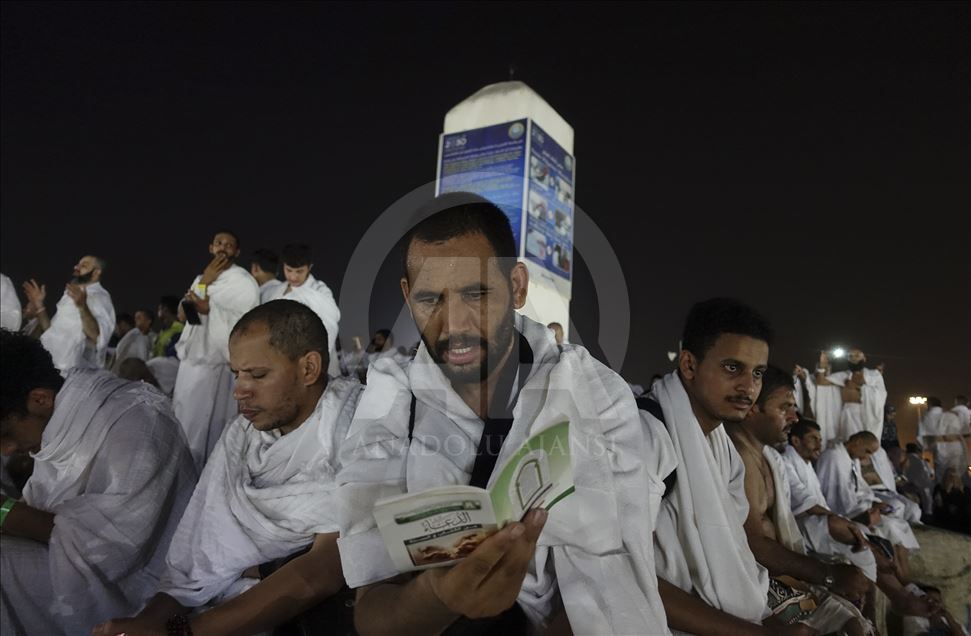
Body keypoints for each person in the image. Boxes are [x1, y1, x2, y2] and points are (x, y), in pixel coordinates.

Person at [337, 193, 671, 634]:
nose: (454, 325)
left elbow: (617, 586)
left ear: (517, 286)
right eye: (430, 299)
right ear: (407, 295)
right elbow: (372, 613)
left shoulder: (594, 393)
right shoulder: (390, 396)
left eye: (476, 293)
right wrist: (438, 597)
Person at [95, 300, 362, 636]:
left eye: (258, 375)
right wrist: (149, 622)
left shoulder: (356, 426)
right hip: (216, 611)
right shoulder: (242, 436)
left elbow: (324, 569)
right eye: (236, 374)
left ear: (309, 368)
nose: (239, 392)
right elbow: (194, 563)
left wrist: (182, 632)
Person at [0, 331, 196, 634]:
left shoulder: (137, 422)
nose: (5, 450)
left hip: (140, 590)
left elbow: (113, 547)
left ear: (40, 399)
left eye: (5, 434)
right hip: (69, 559)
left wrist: (4, 511)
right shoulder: (62, 418)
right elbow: (45, 508)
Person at [648, 299, 817, 635]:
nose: (748, 387)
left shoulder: (721, 446)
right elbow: (624, 575)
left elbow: (734, 551)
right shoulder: (647, 434)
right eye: (732, 368)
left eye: (757, 373)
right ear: (689, 365)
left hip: (734, 612)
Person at [726, 365, 869, 635]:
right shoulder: (740, 457)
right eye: (785, 408)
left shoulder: (768, 457)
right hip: (752, 584)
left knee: (853, 617)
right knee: (849, 624)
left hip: (777, 577)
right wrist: (828, 575)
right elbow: (753, 543)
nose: (794, 417)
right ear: (753, 407)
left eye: (794, 408)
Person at [173, 230, 260, 470]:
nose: (223, 248)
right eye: (219, 243)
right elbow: (183, 315)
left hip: (219, 365)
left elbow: (247, 323)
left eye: (229, 245)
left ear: (237, 252)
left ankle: (208, 475)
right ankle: (182, 471)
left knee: (209, 428)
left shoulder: (243, 282)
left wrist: (211, 310)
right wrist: (205, 281)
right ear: (211, 248)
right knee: (184, 419)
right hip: (191, 363)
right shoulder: (202, 278)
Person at [815, 431, 920, 576]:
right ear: (858, 442)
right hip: (846, 514)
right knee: (890, 528)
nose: (867, 457)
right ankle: (901, 578)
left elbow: (861, 488)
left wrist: (874, 503)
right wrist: (868, 509)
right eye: (867, 451)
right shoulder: (833, 457)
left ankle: (905, 578)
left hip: (858, 508)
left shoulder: (851, 459)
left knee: (899, 526)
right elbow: (835, 499)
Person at [21, 255, 116, 375]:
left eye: (84, 265)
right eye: (77, 264)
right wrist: (39, 306)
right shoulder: (69, 296)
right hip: (50, 366)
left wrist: (82, 307)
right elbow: (51, 332)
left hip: (76, 374)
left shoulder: (100, 297)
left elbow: (97, 337)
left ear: (96, 272)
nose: (76, 267)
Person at [266, 243, 341, 378]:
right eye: (289, 270)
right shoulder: (276, 291)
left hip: (310, 360)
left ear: (309, 267)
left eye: (299, 271)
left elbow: (330, 326)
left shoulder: (319, 292)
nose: (293, 277)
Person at [811, 349, 887, 445]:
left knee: (867, 443)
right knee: (850, 442)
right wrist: (822, 365)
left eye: (857, 355)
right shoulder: (844, 376)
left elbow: (881, 394)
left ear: (864, 358)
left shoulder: (874, 375)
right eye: (851, 356)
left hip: (870, 415)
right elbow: (821, 382)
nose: (854, 358)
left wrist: (857, 387)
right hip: (849, 414)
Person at [924, 398, 968, 485]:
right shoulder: (952, 416)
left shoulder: (929, 418)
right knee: (959, 478)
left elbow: (927, 443)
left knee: (944, 480)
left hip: (944, 455)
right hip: (954, 452)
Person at [109, 310, 152, 375]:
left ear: (123, 324)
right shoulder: (129, 337)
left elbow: (143, 359)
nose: (115, 330)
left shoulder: (138, 337)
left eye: (116, 326)